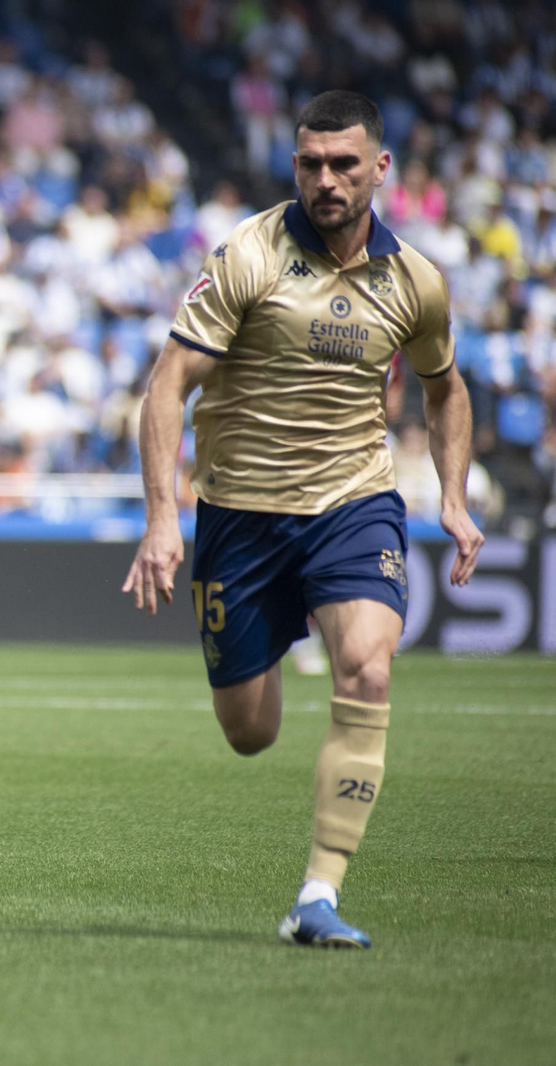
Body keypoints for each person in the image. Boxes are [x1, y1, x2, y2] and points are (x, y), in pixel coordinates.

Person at [122, 91, 484, 949]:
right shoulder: (247, 254)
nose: (326, 179)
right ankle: (275, 629)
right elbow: (168, 385)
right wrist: (162, 519)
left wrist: (456, 499)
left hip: (353, 505)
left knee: (367, 669)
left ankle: (317, 896)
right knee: (251, 732)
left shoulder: (415, 281)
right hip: (242, 515)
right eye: (310, 163)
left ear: (380, 168)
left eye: (344, 163)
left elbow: (446, 388)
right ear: (295, 164)